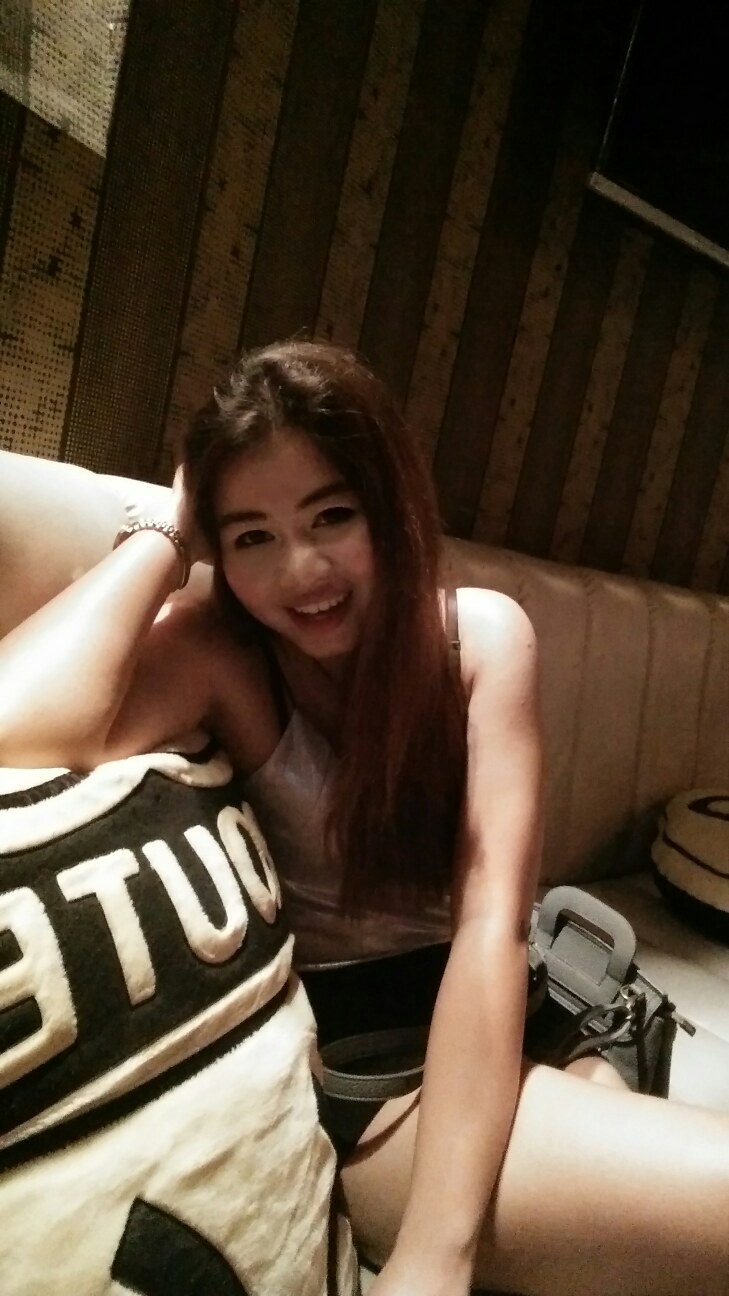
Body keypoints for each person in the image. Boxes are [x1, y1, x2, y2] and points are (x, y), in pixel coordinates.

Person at [0, 338, 727, 1296]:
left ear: (389, 504)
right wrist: (164, 536)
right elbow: (16, 726)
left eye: (331, 516)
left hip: (516, 1000)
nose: (302, 570)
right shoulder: (227, 658)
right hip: (375, 1066)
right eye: (252, 536)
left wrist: (436, 1256)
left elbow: (490, 926)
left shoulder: (478, 641)